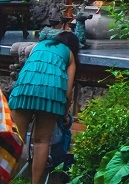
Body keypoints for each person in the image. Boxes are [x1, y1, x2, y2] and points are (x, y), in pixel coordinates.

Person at [8, 32, 78, 184]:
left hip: (25, 89)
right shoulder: (70, 54)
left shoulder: (38, 46)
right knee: (41, 141)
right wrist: (65, 114)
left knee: (15, 139)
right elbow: (68, 93)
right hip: (51, 94)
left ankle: (5, 178)